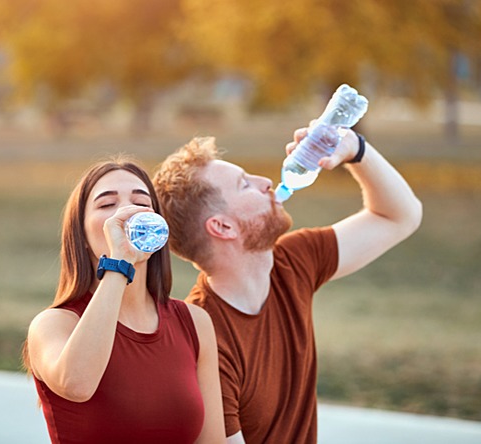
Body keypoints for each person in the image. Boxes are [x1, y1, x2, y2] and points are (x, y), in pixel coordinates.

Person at [153, 128, 423, 443]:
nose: (265, 182)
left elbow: (401, 216)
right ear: (222, 226)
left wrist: (357, 151)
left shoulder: (292, 262)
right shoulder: (203, 340)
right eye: (244, 184)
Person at [23, 156, 226, 444]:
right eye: (107, 205)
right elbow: (77, 384)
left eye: (141, 203)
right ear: (81, 235)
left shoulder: (194, 323)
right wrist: (119, 264)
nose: (127, 213)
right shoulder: (53, 325)